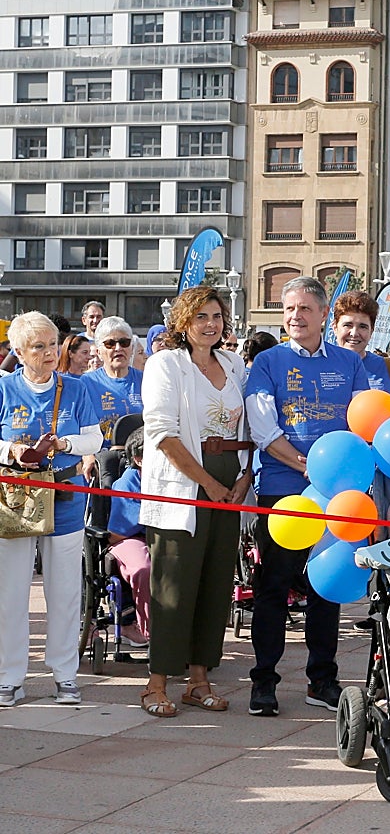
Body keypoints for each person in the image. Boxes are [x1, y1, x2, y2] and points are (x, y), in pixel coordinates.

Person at [245, 276, 370, 717]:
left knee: (326, 586)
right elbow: (263, 429)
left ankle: (323, 679)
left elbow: (363, 422)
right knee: (273, 587)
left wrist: (335, 470)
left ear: (322, 315)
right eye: (288, 310)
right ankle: (263, 681)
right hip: (283, 490)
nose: (295, 317)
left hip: (336, 494)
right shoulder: (267, 362)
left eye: (303, 309)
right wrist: (303, 463)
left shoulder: (350, 363)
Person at [137, 286, 252, 717]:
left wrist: (243, 476)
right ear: (183, 322)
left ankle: (199, 680)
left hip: (229, 483)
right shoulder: (166, 364)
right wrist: (206, 483)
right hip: (185, 485)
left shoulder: (233, 363)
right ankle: (156, 683)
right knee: (174, 587)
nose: (211, 324)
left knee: (216, 583)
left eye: (217, 316)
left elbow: (250, 425)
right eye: (201, 316)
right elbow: (162, 433)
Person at [0, 311, 102, 708]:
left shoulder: (75, 388)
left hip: (65, 496)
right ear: (20, 352)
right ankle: (10, 677)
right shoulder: (5, 388)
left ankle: (64, 675)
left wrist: (63, 445)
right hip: (17, 500)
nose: (48, 352)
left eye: (53, 344)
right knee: (11, 592)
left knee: (64, 592)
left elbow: (94, 438)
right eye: (38, 346)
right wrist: (12, 451)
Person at [107, 427, 151, 647]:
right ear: (139, 459)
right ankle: (148, 630)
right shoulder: (129, 482)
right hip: (127, 537)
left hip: (163, 534)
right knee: (144, 568)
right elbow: (116, 533)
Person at [80, 317, 143, 448]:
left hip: (141, 458)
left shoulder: (146, 380)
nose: (118, 348)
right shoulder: (86, 383)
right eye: (110, 344)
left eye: (124, 342)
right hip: (102, 459)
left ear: (131, 348)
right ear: (98, 352)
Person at [332, 291, 390, 391]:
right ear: (335, 328)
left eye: (362, 327)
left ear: (371, 331)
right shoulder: (320, 366)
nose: (354, 333)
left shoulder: (388, 367)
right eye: (348, 325)